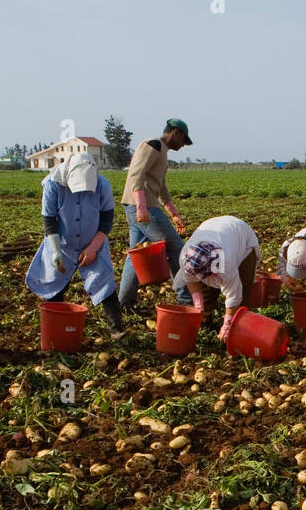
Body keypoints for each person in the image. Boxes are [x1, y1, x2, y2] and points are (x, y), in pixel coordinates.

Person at [25, 153, 123, 337]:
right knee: (55, 287)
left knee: (105, 283)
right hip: (61, 244)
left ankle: (116, 330)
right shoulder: (52, 184)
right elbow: (49, 220)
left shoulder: (102, 185)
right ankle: (56, 332)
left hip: (94, 242)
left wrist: (93, 247)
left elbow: (107, 220)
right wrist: (55, 251)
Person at [117, 118, 193, 309]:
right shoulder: (153, 144)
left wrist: (173, 213)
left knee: (135, 254)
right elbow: (136, 173)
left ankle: (124, 303)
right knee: (176, 247)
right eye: (184, 141)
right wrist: (141, 206)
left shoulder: (163, 152)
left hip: (144, 206)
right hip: (144, 208)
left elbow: (161, 185)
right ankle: (185, 300)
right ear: (176, 133)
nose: (183, 146)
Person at [170, 215, 260, 342]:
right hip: (215, 228)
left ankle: (238, 330)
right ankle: (205, 322)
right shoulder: (186, 256)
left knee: (243, 291)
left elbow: (234, 296)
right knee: (206, 291)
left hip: (242, 237)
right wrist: (198, 304)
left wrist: (227, 324)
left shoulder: (226, 264)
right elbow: (191, 280)